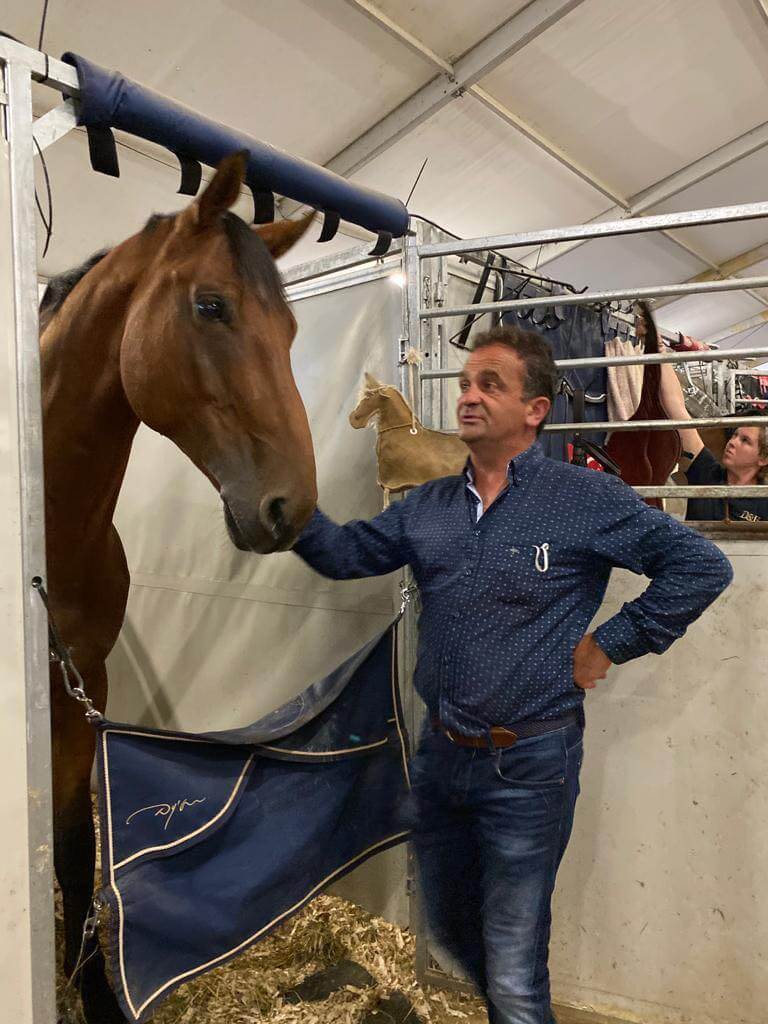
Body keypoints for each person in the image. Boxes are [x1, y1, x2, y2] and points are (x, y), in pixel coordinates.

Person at [293, 325, 733, 1024]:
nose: (468, 396)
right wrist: (287, 507)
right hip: (441, 757)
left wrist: (612, 642)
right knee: (454, 927)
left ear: (534, 409)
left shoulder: (581, 498)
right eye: (466, 383)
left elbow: (703, 566)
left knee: (513, 963)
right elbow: (345, 555)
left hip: (528, 763)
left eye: (489, 384)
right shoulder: (430, 506)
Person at [659, 360, 768, 522]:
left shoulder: (764, 502)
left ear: (763, 458)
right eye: (734, 435)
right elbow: (676, 408)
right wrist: (659, 353)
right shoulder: (706, 472)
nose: (732, 442)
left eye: (745, 441)